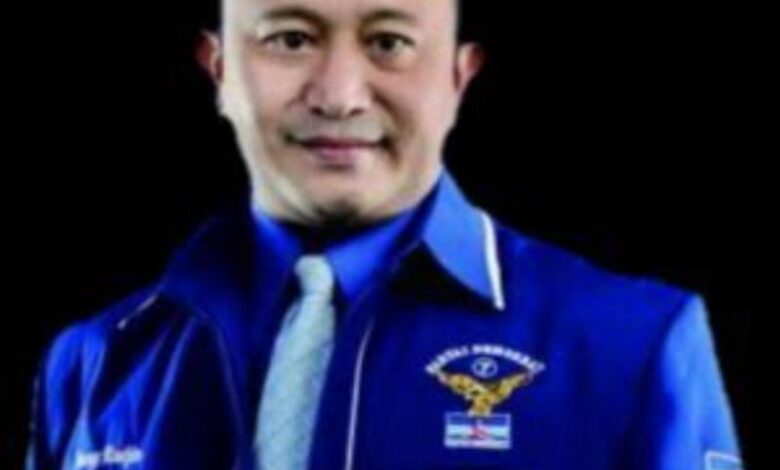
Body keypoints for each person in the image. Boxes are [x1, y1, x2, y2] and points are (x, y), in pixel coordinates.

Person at [26, 0, 743, 469]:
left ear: (458, 76)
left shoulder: (637, 343)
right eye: (290, 39)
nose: (338, 95)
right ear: (220, 70)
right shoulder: (93, 361)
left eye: (389, 41)